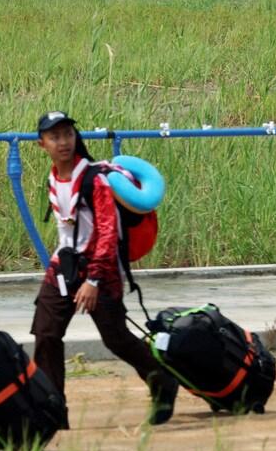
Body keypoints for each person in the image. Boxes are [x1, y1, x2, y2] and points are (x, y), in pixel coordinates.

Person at [30, 112, 178, 426]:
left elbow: (108, 232)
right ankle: (52, 409)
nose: (63, 142)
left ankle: (163, 383)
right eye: (55, 137)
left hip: (101, 271)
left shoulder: (94, 180)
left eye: (68, 134)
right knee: (45, 334)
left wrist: (94, 280)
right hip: (64, 267)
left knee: (117, 339)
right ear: (41, 144)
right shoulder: (52, 179)